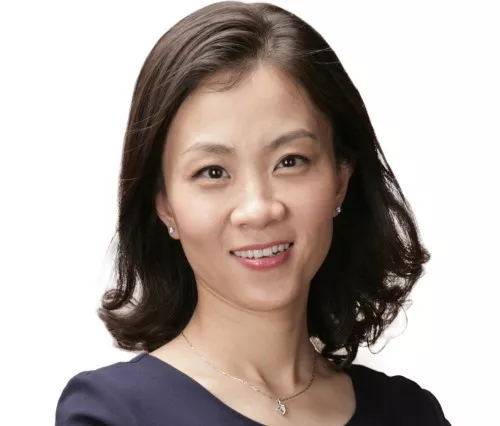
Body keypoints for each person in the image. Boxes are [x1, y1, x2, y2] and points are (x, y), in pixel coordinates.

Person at [55, 1, 451, 425]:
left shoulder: (410, 413)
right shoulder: (112, 414)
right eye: (213, 172)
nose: (258, 209)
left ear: (341, 176)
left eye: (290, 161)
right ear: (164, 203)